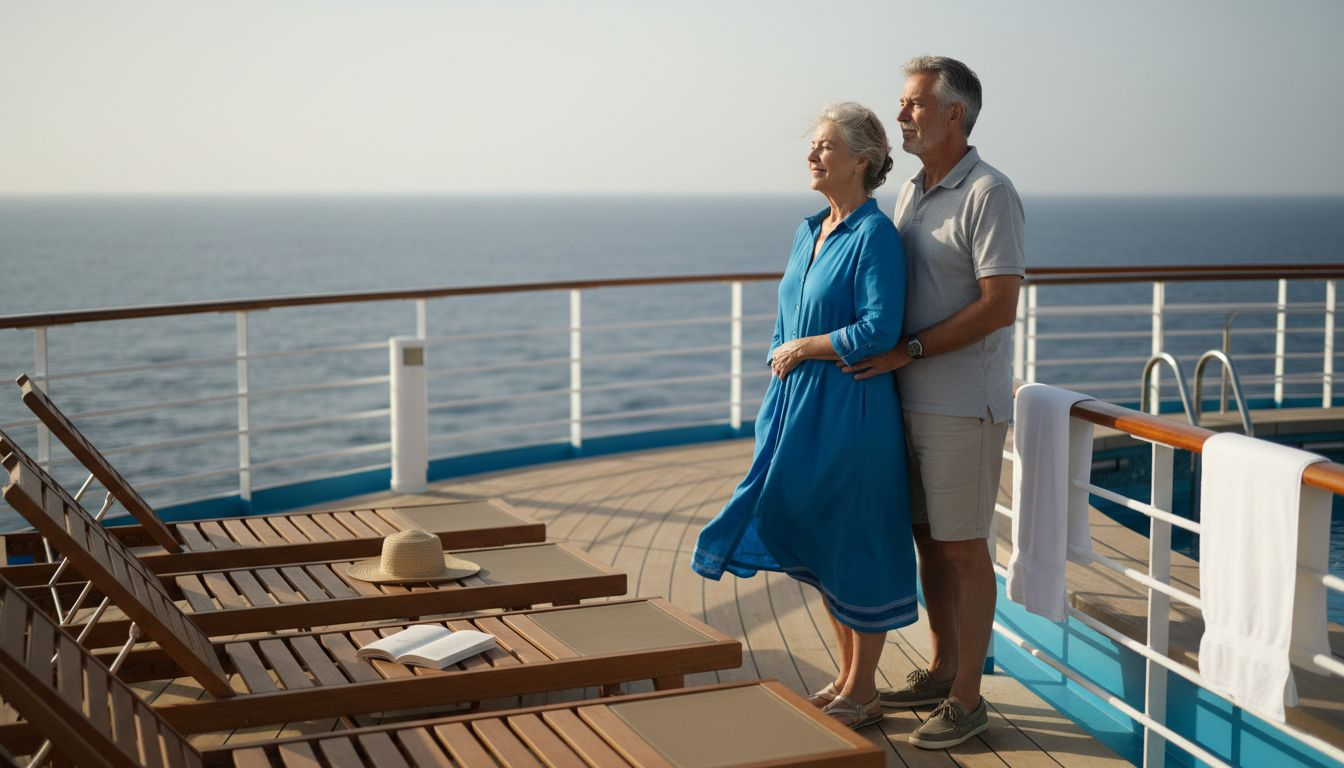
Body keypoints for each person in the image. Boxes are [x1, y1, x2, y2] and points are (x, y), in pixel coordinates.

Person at [692, 102, 917, 730]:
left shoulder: (876, 237)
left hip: (848, 408)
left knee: (853, 544)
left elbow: (880, 327)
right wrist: (782, 352)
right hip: (792, 406)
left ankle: (865, 689)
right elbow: (789, 312)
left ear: (862, 160)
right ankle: (846, 679)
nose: (811, 155)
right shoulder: (808, 228)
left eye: (823, 146)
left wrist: (805, 348)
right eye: (812, 145)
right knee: (817, 536)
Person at [844, 56, 1025, 749]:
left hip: (960, 405)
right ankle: (943, 667)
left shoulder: (989, 193)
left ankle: (968, 698)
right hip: (906, 400)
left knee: (963, 550)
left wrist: (910, 351)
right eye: (902, 103)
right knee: (927, 541)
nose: (901, 115)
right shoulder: (912, 193)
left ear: (956, 113)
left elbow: (998, 306)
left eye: (915, 104)